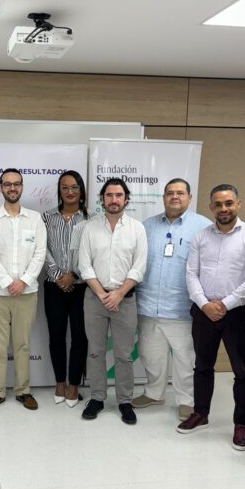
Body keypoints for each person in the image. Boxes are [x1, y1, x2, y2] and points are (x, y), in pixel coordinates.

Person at [180, 184, 245, 450]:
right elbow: (191, 273)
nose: (223, 208)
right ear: (210, 207)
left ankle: (241, 425)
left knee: (243, 372)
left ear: (238, 204)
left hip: (236, 313)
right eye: (218, 204)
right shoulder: (201, 236)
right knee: (202, 366)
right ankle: (201, 413)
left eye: (229, 203)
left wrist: (225, 304)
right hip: (204, 312)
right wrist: (205, 304)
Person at [134, 178, 212, 421]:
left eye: (180, 193)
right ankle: (154, 392)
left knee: (184, 358)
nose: (174, 197)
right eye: (170, 193)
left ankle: (186, 400)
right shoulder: (146, 226)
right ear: (163, 197)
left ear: (189, 197)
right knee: (150, 354)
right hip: (148, 305)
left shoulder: (204, 227)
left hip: (182, 307)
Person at [78, 178, 147, 424]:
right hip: (95, 299)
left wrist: (118, 294)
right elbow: (84, 265)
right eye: (109, 195)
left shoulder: (137, 228)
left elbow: (139, 267)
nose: (114, 199)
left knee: (124, 354)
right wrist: (102, 294)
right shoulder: (89, 227)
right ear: (102, 199)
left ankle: (124, 401)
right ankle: (97, 398)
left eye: (119, 195)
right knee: (95, 352)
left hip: (124, 299)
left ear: (126, 199)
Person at [0, 168, 47, 411]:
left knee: (23, 344)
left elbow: (40, 253)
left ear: (22, 187)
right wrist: (9, 281)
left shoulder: (35, 218)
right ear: (0, 188)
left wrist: (25, 280)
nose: (12, 188)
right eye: (7, 184)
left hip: (26, 294)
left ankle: (23, 391)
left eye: (16, 184)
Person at [42, 170, 89, 408]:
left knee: (80, 337)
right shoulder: (47, 217)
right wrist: (60, 276)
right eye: (64, 187)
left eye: (74, 187)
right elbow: (42, 249)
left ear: (81, 190)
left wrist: (75, 275)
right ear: (59, 191)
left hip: (82, 287)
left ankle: (74, 385)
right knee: (56, 336)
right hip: (54, 286)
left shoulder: (91, 219)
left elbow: (93, 253)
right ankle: (59, 382)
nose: (69, 191)